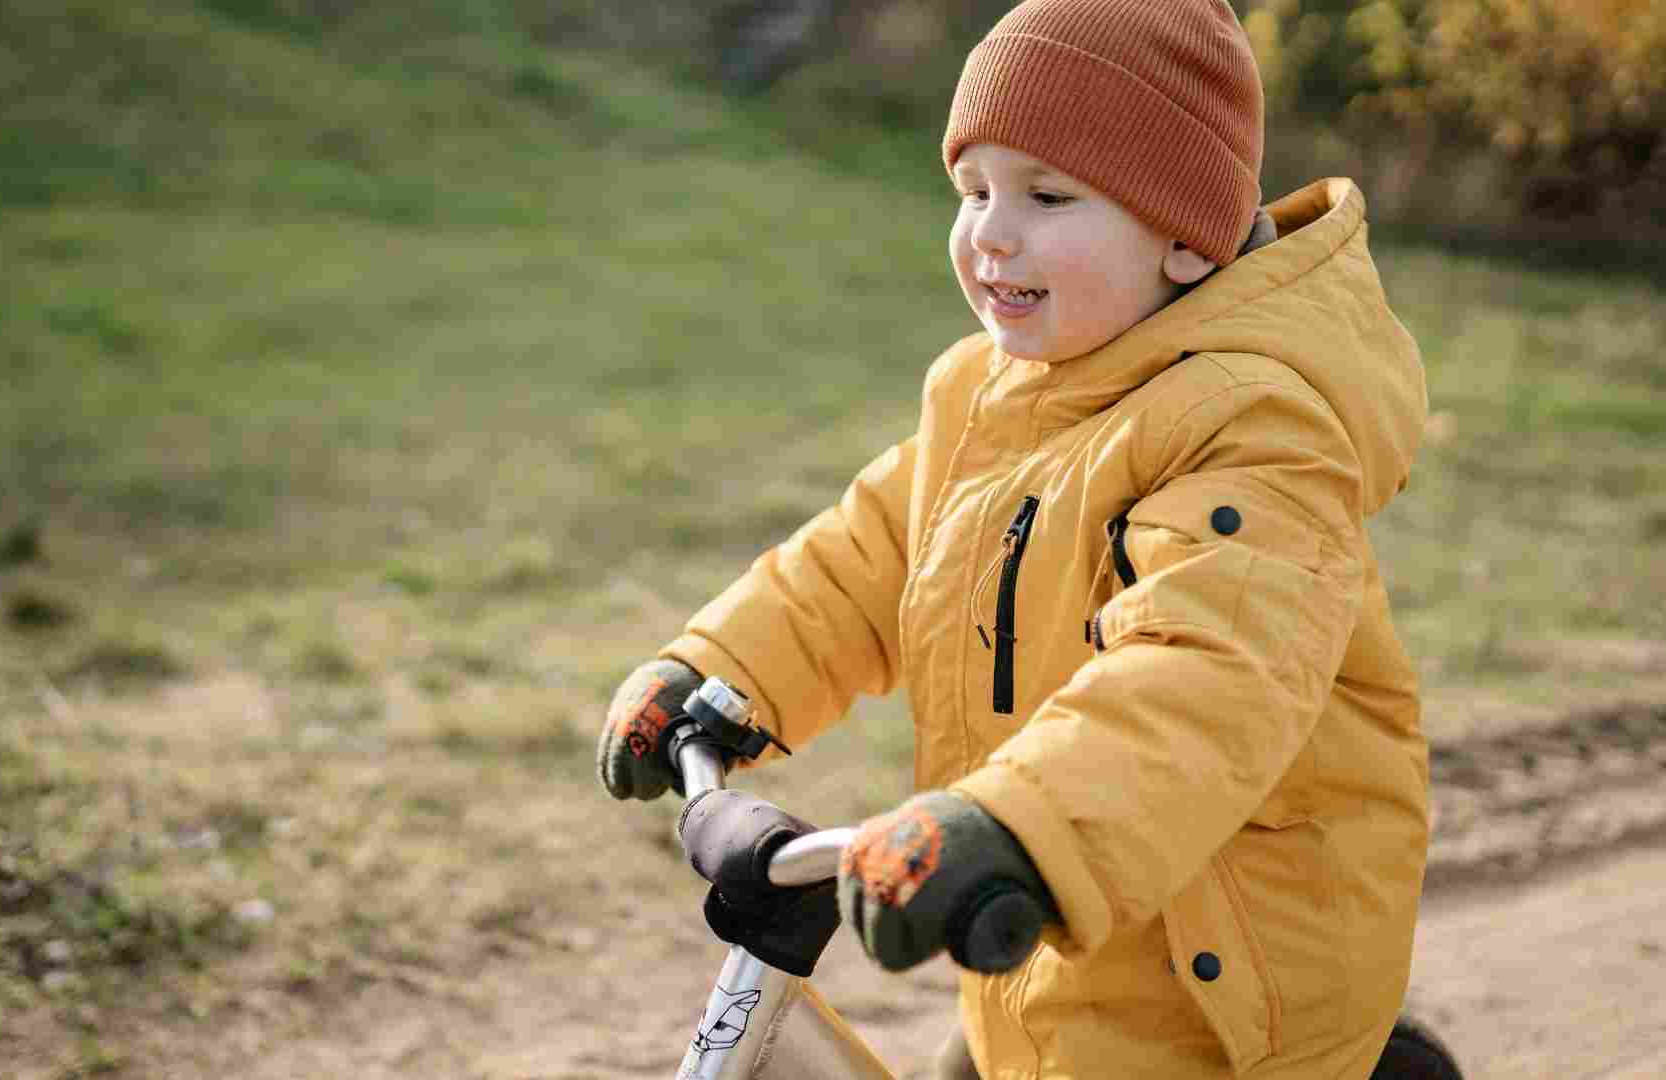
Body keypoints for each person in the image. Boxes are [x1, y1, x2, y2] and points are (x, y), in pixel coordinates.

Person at [599, 1, 1445, 1075]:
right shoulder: (989, 399)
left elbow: (1206, 675)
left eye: (1047, 197)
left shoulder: (1255, 432)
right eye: (974, 190)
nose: (993, 231)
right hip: (1053, 911)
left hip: (1217, 974)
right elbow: (866, 560)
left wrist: (1018, 822)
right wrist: (717, 673)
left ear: (1186, 240)